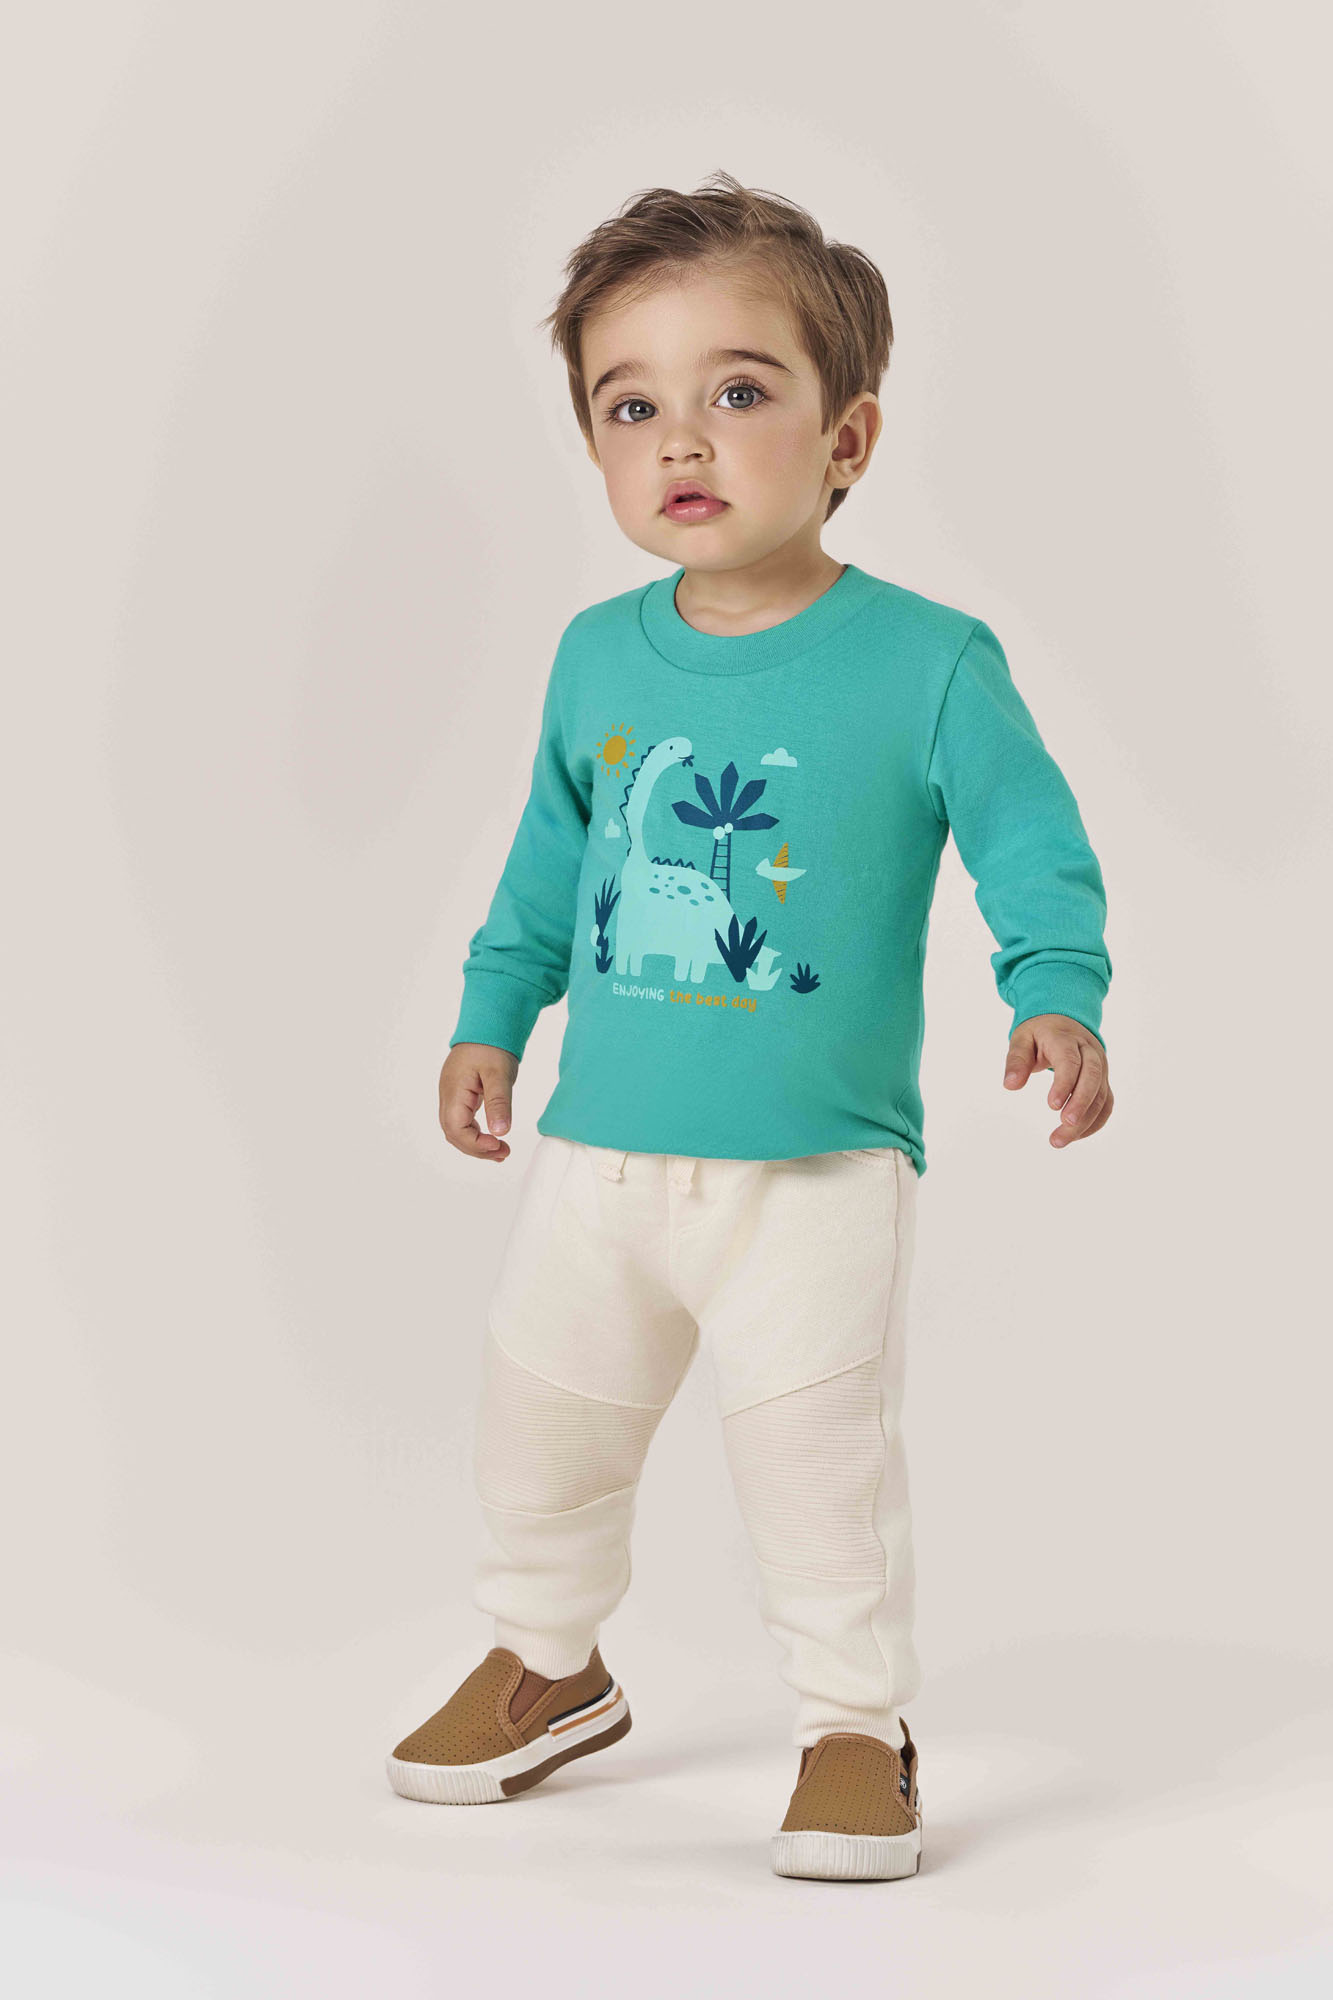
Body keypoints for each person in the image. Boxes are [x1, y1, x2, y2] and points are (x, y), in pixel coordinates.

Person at [384, 171, 1113, 1882]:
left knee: (816, 1473)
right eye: (629, 406)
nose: (682, 438)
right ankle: (548, 1664)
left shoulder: (925, 661)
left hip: (813, 1169)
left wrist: (1053, 987)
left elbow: (1029, 838)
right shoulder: (595, 656)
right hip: (598, 1161)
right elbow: (550, 859)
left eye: (737, 389)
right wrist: (493, 1016)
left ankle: (854, 1725)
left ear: (846, 435)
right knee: (540, 1433)